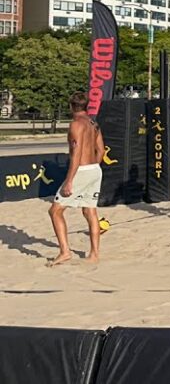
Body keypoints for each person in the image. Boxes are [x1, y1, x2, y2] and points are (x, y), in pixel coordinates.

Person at [48, 91, 105, 266]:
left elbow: (76, 154)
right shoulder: (93, 123)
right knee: (90, 211)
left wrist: (70, 180)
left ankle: (65, 252)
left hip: (81, 170)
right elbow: (101, 150)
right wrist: (93, 166)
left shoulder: (76, 125)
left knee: (55, 211)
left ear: (71, 106)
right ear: (86, 105)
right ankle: (94, 254)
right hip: (95, 169)